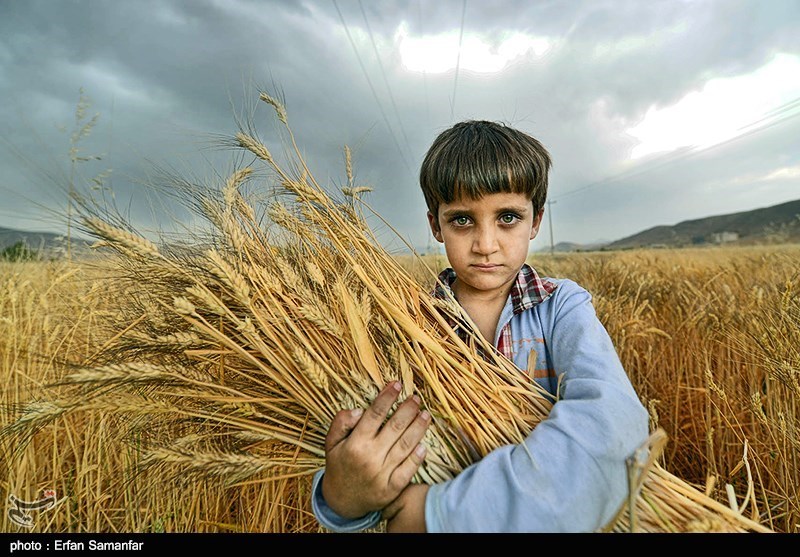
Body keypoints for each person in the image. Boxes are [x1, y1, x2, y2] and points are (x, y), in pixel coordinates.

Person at [310, 120, 650, 533]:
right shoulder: (402, 324)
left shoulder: (561, 307)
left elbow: (612, 423)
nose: (486, 244)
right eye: (462, 221)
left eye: (507, 217)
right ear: (436, 225)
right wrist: (340, 501)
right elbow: (368, 448)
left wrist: (437, 515)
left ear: (536, 221)